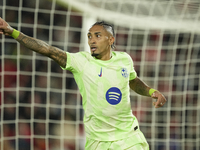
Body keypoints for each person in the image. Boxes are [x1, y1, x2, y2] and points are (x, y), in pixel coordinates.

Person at [0, 18, 167, 150]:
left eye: (97, 36)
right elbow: (48, 50)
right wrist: (13, 32)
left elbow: (133, 81)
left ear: (111, 40)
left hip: (128, 137)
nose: (91, 41)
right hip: (98, 141)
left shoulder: (125, 59)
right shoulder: (81, 61)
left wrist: (151, 91)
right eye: (89, 36)